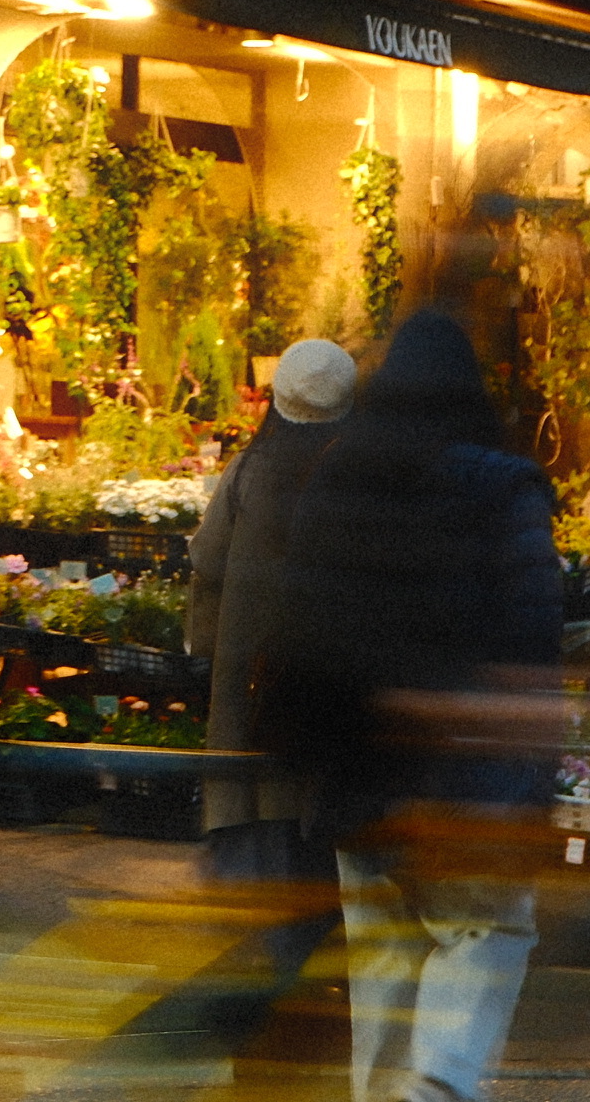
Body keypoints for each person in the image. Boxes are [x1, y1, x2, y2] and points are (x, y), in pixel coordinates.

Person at [256, 309, 563, 1102]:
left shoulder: (337, 476)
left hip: (359, 782)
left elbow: (295, 624)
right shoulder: (505, 489)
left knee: (383, 964)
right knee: (484, 933)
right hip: (464, 788)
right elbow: (534, 636)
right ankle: (439, 1087)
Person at [186, 336, 357, 881]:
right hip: (331, 675)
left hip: (252, 671)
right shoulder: (360, 476)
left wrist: (206, 644)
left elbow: (207, 559)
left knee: (251, 784)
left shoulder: (250, 470)